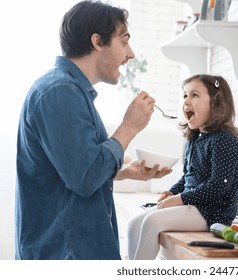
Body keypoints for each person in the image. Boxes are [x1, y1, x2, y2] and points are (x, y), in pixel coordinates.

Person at [15, 0, 172, 260]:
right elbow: (84, 178)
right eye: (124, 41)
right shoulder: (60, 92)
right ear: (98, 42)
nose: (130, 53)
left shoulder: (69, 92)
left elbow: (72, 169)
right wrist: (129, 127)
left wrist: (122, 172)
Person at [127, 74, 238, 260]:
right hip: (193, 205)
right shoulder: (194, 139)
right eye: (184, 96)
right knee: (133, 223)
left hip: (213, 212)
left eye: (194, 95)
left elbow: (218, 186)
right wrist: (172, 193)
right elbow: (187, 178)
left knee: (151, 221)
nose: (186, 101)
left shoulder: (224, 140)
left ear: (215, 103)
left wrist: (179, 199)